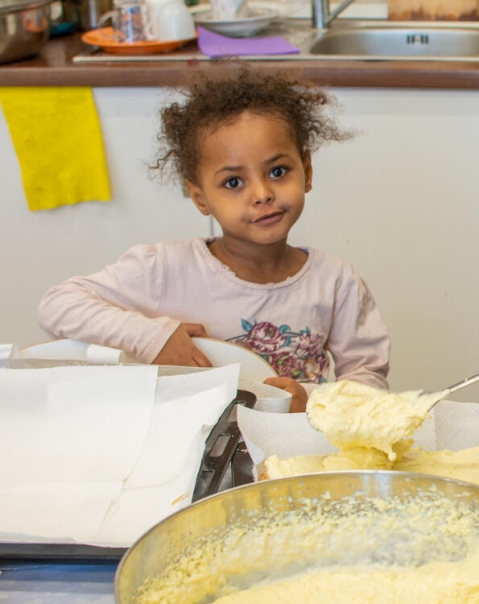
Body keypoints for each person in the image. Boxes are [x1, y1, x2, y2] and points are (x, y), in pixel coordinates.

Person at [36, 66, 391, 413]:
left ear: (307, 171)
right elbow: (57, 304)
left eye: (278, 171)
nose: (262, 193)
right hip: (186, 453)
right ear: (200, 197)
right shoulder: (165, 269)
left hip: (293, 451)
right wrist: (150, 337)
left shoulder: (336, 281)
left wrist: (315, 402)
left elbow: (369, 378)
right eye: (233, 182)